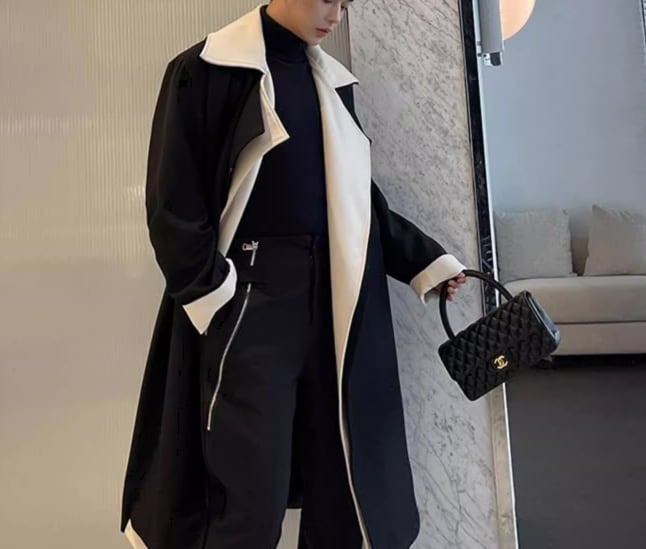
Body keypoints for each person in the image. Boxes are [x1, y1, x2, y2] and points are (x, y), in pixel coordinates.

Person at [120, 1, 467, 548]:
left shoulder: (330, 82)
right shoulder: (206, 69)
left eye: (346, 4)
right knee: (247, 492)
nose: (337, 16)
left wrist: (425, 261)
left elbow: (356, 200)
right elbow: (173, 205)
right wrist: (214, 297)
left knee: (341, 481)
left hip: (335, 300)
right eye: (329, 0)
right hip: (250, 301)